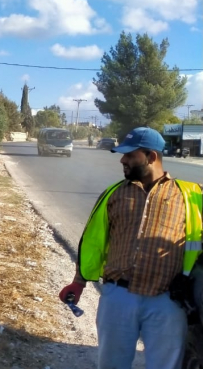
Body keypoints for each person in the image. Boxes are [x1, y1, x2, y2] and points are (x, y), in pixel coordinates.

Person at [58, 127, 202, 369]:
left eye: (129, 155)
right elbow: (94, 243)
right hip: (118, 298)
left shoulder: (190, 195)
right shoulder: (113, 194)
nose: (122, 160)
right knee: (111, 364)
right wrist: (79, 282)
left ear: (151, 157)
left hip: (167, 301)